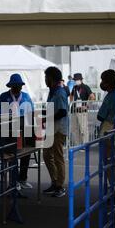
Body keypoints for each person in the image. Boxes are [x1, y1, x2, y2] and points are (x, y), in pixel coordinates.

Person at [0, 74, 34, 191]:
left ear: (22, 86)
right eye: (15, 86)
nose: (17, 88)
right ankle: (13, 181)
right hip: (9, 130)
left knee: (26, 153)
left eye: (19, 86)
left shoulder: (27, 97)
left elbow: (31, 112)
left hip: (25, 130)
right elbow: (0, 113)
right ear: (11, 86)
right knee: (12, 155)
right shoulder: (4, 96)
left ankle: (22, 179)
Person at [42, 66, 69, 198]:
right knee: (46, 155)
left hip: (59, 129)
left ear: (51, 78)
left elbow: (62, 112)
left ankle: (60, 186)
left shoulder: (60, 92)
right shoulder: (52, 91)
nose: (45, 80)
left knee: (58, 157)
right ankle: (55, 181)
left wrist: (46, 117)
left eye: (46, 77)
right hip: (51, 128)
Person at [70, 73, 96, 145]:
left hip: (82, 111)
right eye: (75, 80)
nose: (76, 81)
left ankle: (85, 145)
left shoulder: (85, 87)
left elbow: (92, 97)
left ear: (81, 80)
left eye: (77, 80)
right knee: (75, 129)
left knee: (83, 129)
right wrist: (71, 103)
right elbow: (71, 95)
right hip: (74, 110)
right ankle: (78, 145)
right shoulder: (74, 87)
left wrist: (87, 105)